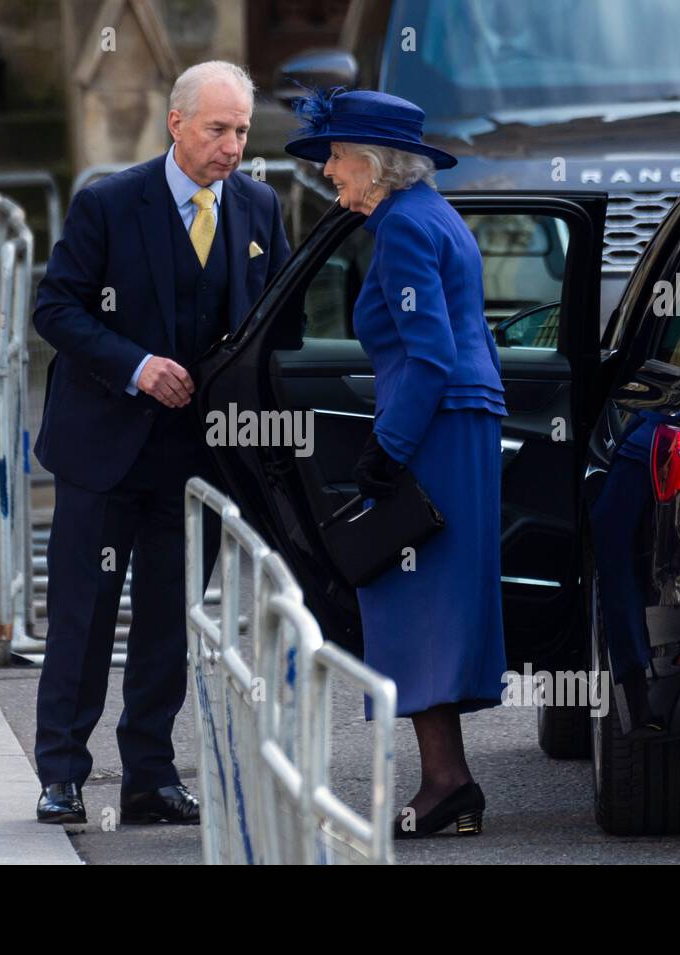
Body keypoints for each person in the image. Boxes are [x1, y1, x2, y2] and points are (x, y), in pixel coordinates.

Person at [32, 61, 291, 825]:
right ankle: (62, 774)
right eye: (217, 129)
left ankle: (150, 774)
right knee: (81, 618)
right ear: (176, 124)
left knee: (168, 624)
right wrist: (137, 367)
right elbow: (56, 308)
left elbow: (277, 324)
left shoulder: (259, 209)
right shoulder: (108, 204)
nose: (232, 146)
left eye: (242, 130)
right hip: (103, 451)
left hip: (197, 459)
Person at [285, 88, 509, 839]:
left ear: (376, 163)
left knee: (416, 596)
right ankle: (451, 781)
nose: (328, 171)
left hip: (438, 424)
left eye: (338, 156)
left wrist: (390, 447)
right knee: (426, 599)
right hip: (452, 421)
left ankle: (447, 781)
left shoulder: (407, 228)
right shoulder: (421, 217)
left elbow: (430, 354)